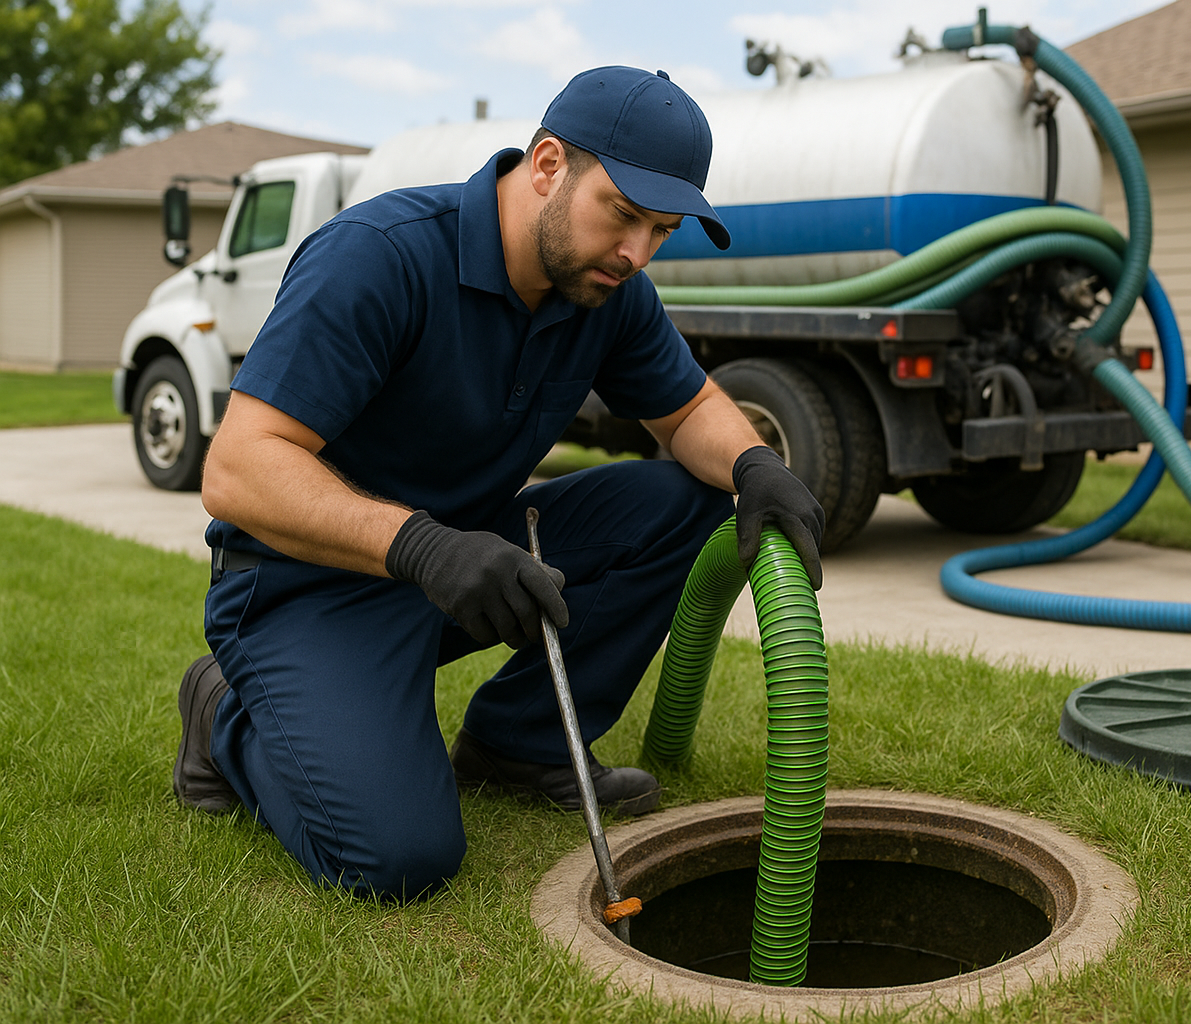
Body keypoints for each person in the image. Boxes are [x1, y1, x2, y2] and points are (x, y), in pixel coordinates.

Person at [170, 66, 824, 901]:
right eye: (623, 216)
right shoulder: (382, 256)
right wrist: (421, 546)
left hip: (471, 562)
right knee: (396, 860)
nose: (637, 252)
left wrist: (754, 465)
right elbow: (237, 468)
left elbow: (689, 409)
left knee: (689, 503)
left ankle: (521, 744)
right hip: (305, 585)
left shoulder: (606, 290)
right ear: (548, 165)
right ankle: (223, 711)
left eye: (661, 231)